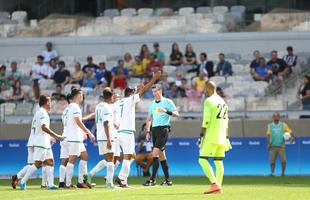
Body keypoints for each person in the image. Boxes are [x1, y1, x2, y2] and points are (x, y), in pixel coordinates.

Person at [113, 71, 161, 187]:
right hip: (127, 132)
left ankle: (118, 178)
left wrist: (136, 88)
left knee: (132, 156)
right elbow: (143, 92)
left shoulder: (118, 102)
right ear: (131, 94)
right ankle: (122, 179)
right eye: (134, 93)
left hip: (118, 133)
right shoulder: (130, 100)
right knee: (128, 156)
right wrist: (154, 79)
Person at [18, 94, 64, 190]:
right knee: (38, 163)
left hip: (44, 142)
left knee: (50, 161)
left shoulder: (39, 112)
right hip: (41, 142)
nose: (51, 104)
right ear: (47, 103)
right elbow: (44, 127)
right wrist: (57, 136)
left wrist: (50, 137)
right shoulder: (42, 112)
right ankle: (22, 181)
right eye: (50, 102)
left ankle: (50, 185)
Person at [143, 84, 180, 186]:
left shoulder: (167, 102)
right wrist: (147, 131)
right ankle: (168, 180)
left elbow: (177, 114)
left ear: (161, 90)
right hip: (154, 130)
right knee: (162, 156)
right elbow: (149, 118)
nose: (154, 94)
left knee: (154, 154)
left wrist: (166, 111)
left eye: (156, 91)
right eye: (153, 92)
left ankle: (152, 180)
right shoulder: (152, 104)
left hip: (163, 129)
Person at [198, 81, 231, 194]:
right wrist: (226, 137)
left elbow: (206, 121)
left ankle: (214, 184)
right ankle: (219, 187)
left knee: (202, 160)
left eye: (205, 89)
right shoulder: (223, 102)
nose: (205, 91)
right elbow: (226, 122)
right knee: (218, 161)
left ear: (208, 88)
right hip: (222, 136)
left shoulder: (208, 101)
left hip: (211, 135)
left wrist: (201, 135)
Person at [64, 88, 95, 189]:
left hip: (71, 136)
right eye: (81, 96)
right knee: (72, 160)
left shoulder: (68, 107)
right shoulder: (75, 107)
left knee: (84, 156)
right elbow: (78, 121)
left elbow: (72, 122)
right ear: (78, 96)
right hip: (74, 138)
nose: (82, 98)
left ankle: (80, 181)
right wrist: (88, 132)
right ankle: (68, 184)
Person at [266, 112, 292, 176]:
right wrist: (268, 144)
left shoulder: (283, 125)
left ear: (279, 117)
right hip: (273, 146)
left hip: (281, 146)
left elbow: (289, 132)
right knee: (272, 161)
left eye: (277, 116)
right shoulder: (270, 125)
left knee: (283, 161)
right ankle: (272, 173)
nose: (275, 117)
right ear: (273, 117)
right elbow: (268, 135)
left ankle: (283, 173)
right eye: (274, 116)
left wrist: (292, 137)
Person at [58, 94, 72, 188]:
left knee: (64, 161)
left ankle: (61, 182)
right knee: (82, 157)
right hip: (72, 137)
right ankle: (69, 183)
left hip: (64, 136)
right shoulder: (74, 109)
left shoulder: (65, 111)